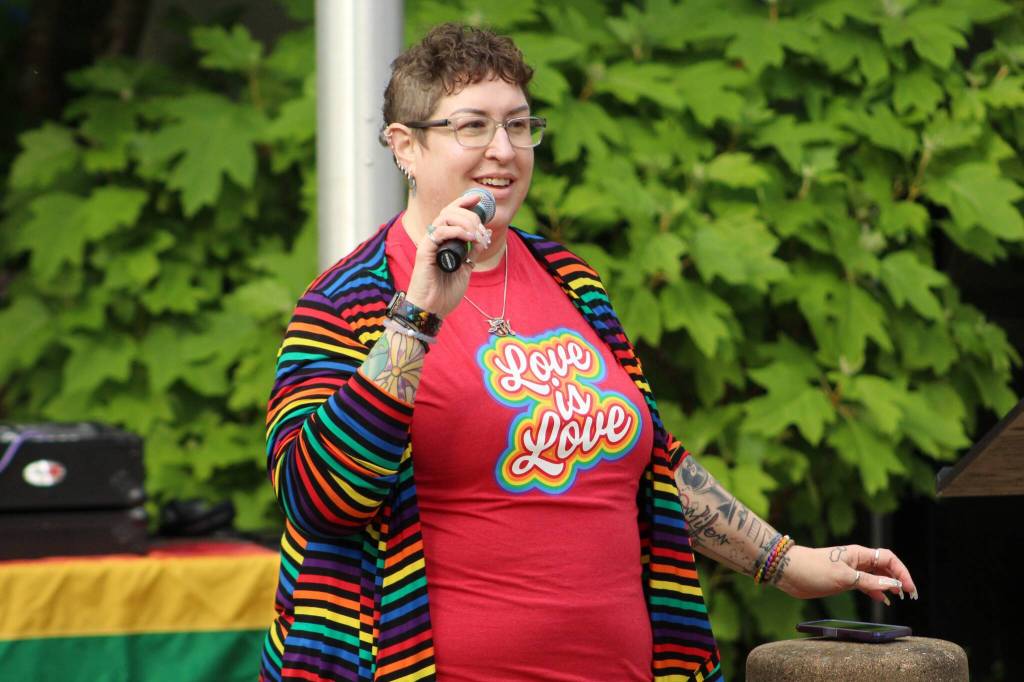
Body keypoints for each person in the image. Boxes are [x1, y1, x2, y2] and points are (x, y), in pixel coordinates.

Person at [258, 23, 917, 682]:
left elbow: (653, 464)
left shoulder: (571, 279)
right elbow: (317, 500)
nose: (504, 150)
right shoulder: (350, 301)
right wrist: (418, 316)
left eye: (519, 126)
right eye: (472, 127)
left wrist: (786, 561)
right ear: (406, 147)